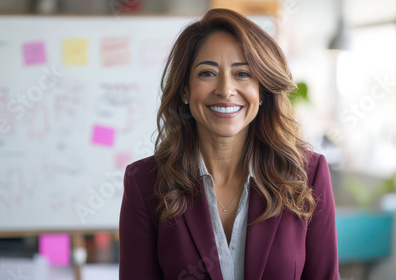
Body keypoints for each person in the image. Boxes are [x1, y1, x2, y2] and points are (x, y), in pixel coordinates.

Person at [119, 8, 338, 280]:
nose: (225, 89)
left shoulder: (308, 175)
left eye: (243, 74)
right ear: (185, 89)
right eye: (207, 73)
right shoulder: (144, 183)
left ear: (262, 89)